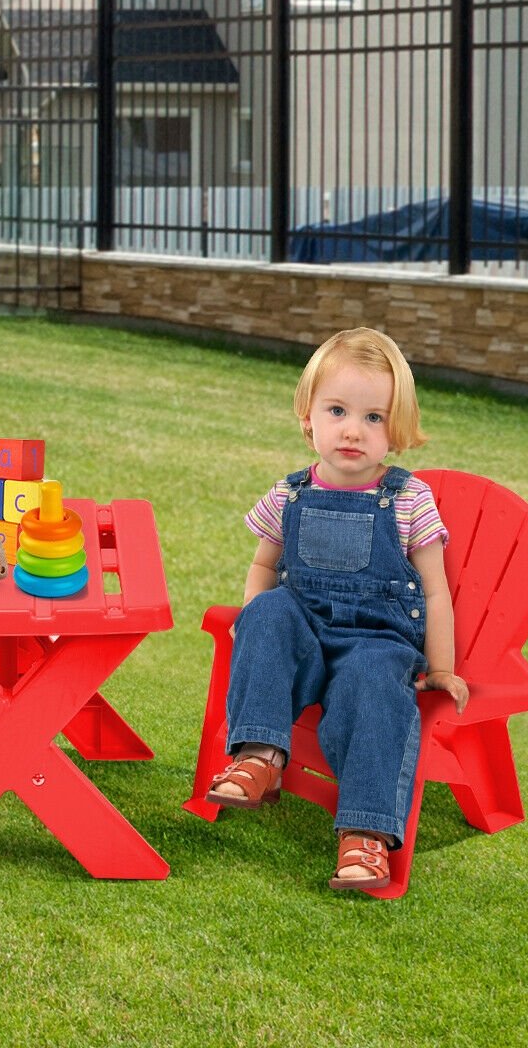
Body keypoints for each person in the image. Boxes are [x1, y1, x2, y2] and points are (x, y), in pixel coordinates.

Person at [207, 327, 469, 891]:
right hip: (301, 627)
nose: (353, 429)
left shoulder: (408, 499)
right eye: (338, 410)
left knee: (377, 687)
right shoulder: (289, 493)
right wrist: (255, 623)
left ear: (395, 430)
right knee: (269, 609)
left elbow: (435, 589)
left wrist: (441, 667)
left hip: (375, 639)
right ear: (309, 418)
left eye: (374, 418)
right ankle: (258, 757)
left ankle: (365, 836)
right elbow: (262, 568)